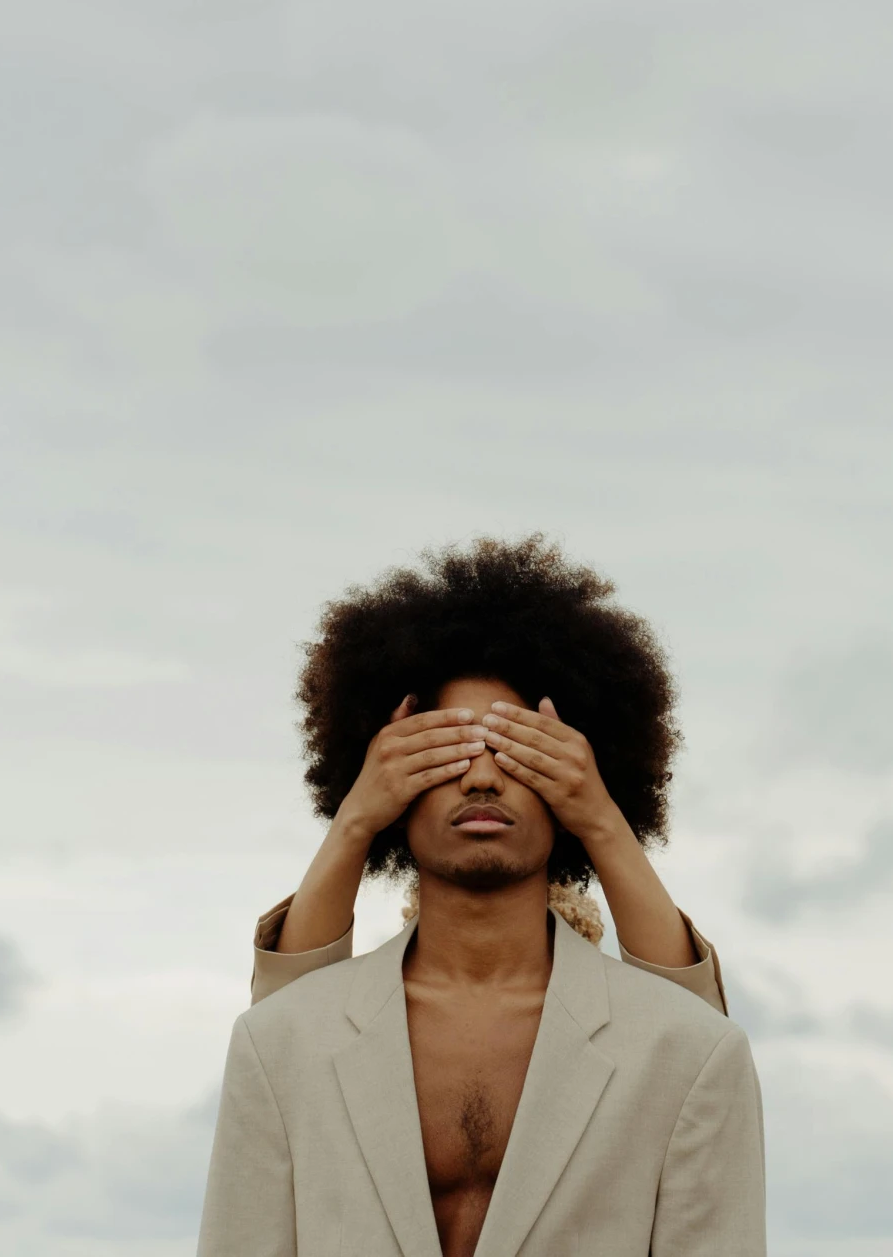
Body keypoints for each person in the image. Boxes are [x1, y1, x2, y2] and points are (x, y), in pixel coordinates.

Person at [197, 536, 766, 1257]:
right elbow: (290, 1032)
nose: (481, 778)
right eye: (443, 752)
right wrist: (356, 816)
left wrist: (598, 815)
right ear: (388, 781)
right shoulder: (280, 1042)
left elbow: (686, 1036)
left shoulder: (687, 1050)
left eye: (522, 751)